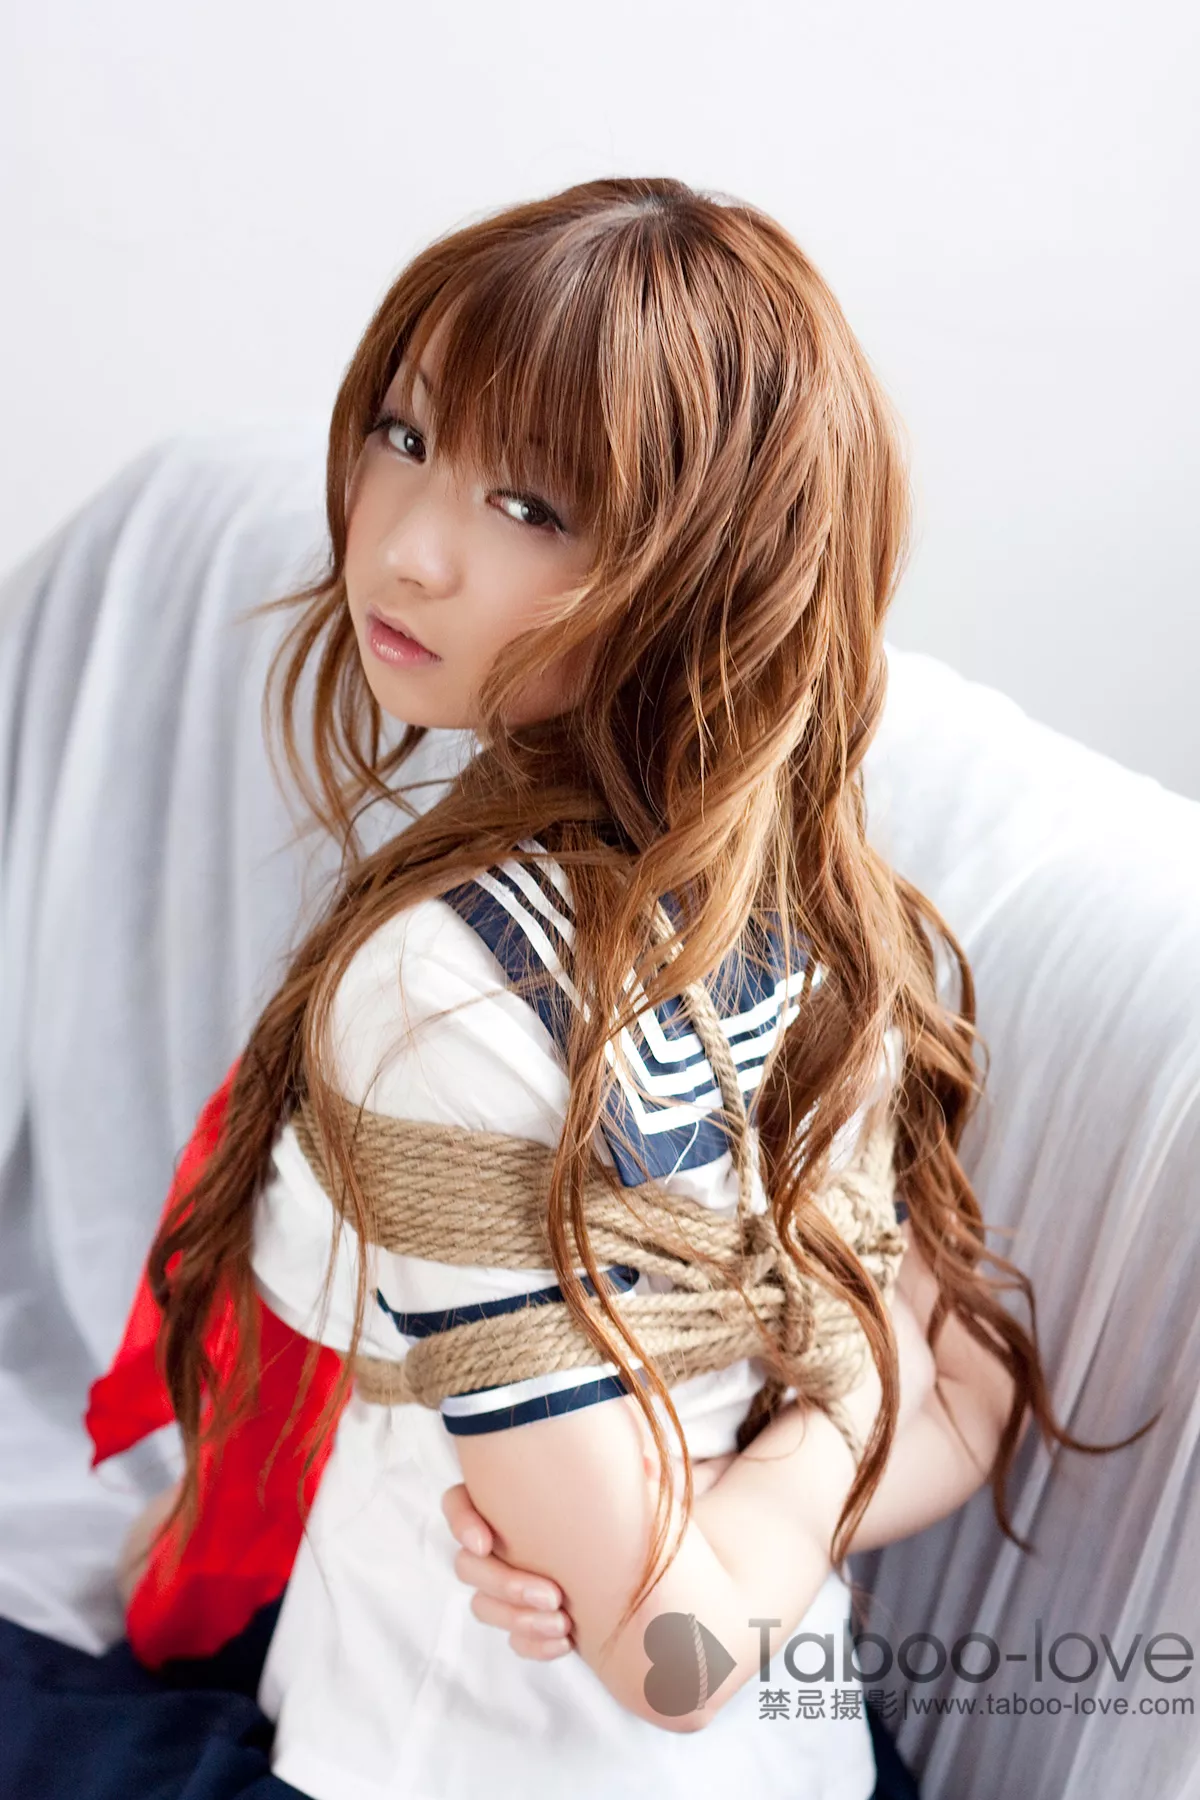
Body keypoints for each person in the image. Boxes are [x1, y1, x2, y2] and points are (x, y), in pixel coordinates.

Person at [4, 175, 1150, 1800]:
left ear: (709, 575)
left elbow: (672, 1656)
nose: (406, 548)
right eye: (403, 434)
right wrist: (822, 1440)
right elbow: (948, 1394)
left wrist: (706, 1547)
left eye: (531, 505)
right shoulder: (814, 923)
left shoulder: (448, 998)